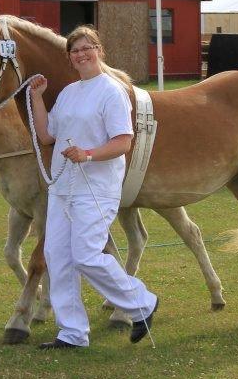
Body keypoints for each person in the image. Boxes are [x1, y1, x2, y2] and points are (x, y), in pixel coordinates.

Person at [28, 25, 159, 350]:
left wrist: (87, 155)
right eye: (75, 51)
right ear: (70, 58)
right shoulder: (70, 92)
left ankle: (142, 302)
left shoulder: (111, 91)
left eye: (87, 48)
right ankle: (72, 332)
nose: (81, 54)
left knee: (86, 256)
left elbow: (123, 142)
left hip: (96, 187)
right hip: (63, 187)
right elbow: (47, 135)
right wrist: (37, 98)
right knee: (57, 256)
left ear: (99, 50)